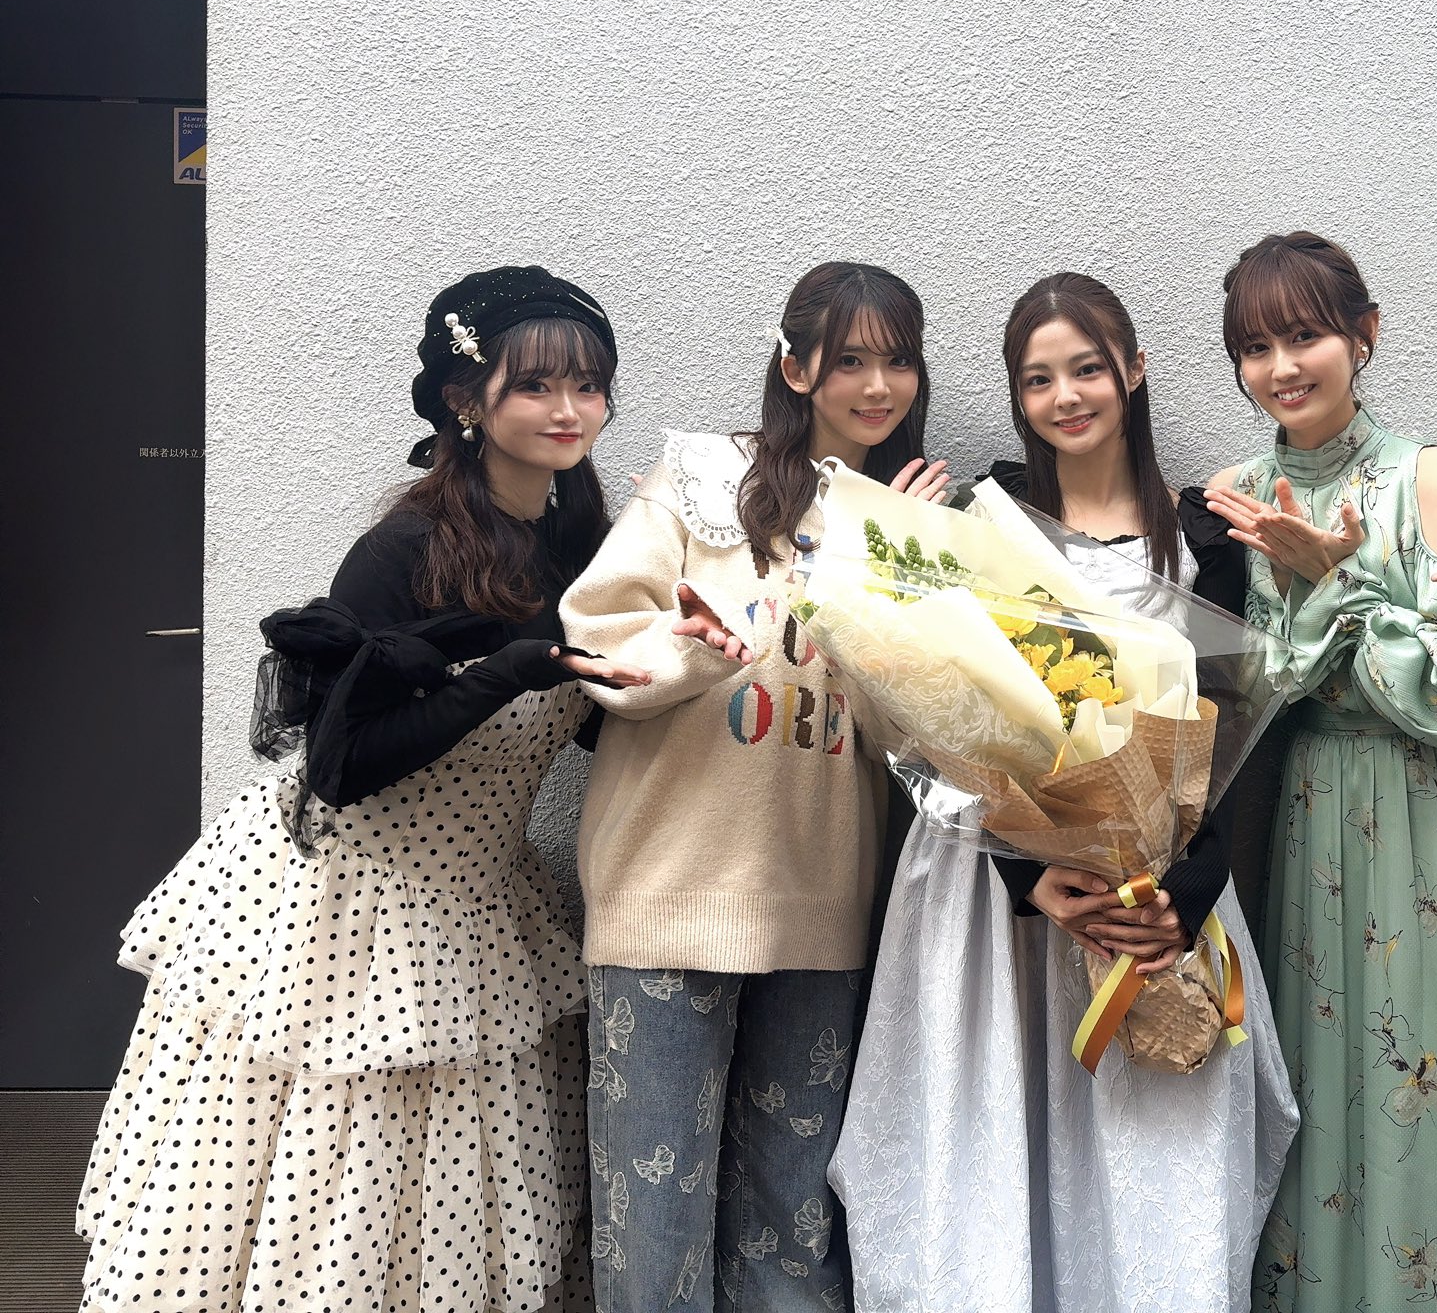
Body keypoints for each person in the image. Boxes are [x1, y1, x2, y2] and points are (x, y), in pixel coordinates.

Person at [77, 266, 649, 1312]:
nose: (569, 409)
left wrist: (678, 666)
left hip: (480, 904)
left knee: (447, 1190)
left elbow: (583, 721)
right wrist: (506, 672)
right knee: (331, 1169)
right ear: (465, 399)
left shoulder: (581, 545)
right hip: (348, 906)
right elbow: (344, 767)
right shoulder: (404, 549)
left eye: (590, 384)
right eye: (535, 385)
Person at [830, 271, 1298, 1310]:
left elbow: (1224, 737)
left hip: (1149, 894)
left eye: (1087, 369)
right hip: (991, 895)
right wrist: (1026, 875)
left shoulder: (1205, 536)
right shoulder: (975, 523)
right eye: (1038, 379)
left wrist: (1182, 899)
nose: (1065, 396)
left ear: (1132, 370)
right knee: (985, 1156)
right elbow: (923, 715)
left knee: (1153, 1162)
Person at [559, 261, 947, 1313]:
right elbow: (597, 643)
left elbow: (914, 733)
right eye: (850, 357)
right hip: (666, 895)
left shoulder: (904, 518)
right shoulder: (702, 473)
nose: (878, 384)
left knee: (792, 1226)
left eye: (898, 359)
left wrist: (899, 574)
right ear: (795, 364)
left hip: (820, 907)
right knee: (654, 1233)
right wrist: (694, 651)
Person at [1203, 232, 1437, 1313]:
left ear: (1364, 335)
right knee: (1331, 1086)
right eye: (1255, 347)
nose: (1281, 367)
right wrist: (1312, 595)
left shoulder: (1432, 472)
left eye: (1303, 335)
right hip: (1317, 816)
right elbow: (1261, 685)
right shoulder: (1239, 491)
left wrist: (1334, 580)